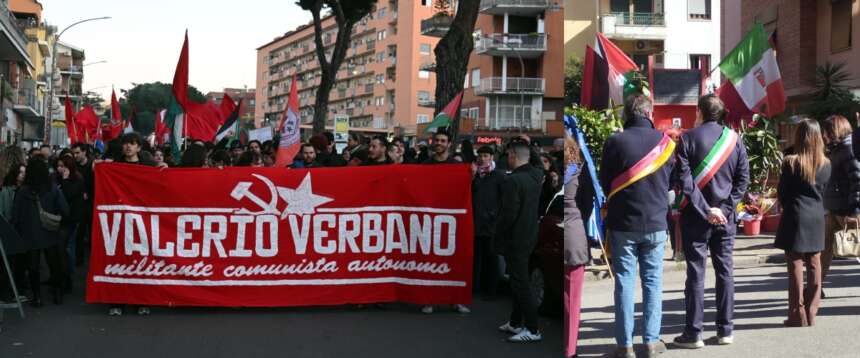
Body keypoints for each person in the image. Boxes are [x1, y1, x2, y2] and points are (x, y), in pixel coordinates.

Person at [672, 95, 749, 349]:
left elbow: (685, 182)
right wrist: (723, 210)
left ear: (700, 112)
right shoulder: (735, 140)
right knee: (725, 272)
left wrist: (706, 210)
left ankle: (694, 333)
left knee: (696, 273)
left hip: (695, 217)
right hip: (725, 219)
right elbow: (742, 181)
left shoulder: (686, 139)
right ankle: (725, 330)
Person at [599, 94, 673, 358]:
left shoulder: (614, 142)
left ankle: (625, 346)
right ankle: (651, 343)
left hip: (623, 223)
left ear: (626, 115)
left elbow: (605, 182)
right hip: (656, 222)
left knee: (624, 283)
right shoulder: (666, 143)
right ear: (650, 114)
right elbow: (672, 183)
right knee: (652, 283)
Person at [775, 118, 831, 327]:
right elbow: (824, 192)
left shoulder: (791, 162)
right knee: (815, 263)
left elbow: (782, 193)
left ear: (799, 136)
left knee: (795, 265)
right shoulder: (826, 163)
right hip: (817, 216)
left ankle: (797, 314)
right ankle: (812, 311)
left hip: (795, 215)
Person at [495, 141, 544, 342]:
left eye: (509, 155)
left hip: (515, 238)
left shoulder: (513, 181)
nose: (507, 158)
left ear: (513, 156)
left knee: (521, 283)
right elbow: (539, 163)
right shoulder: (537, 175)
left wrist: (497, 234)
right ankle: (515, 322)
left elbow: (508, 214)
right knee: (518, 280)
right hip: (530, 234)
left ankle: (533, 329)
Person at [107, 133, 158, 315]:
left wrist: (165, 169)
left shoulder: (149, 167)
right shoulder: (113, 167)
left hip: (142, 221)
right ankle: (116, 302)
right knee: (119, 260)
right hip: (119, 221)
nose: (128, 146)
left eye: (133, 143)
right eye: (126, 143)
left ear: (139, 147)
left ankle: (141, 301)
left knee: (142, 261)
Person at [12, 158, 69, 307]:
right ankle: (57, 293)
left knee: (33, 266)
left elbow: (15, 215)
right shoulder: (52, 188)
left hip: (30, 233)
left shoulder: (22, 191)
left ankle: (37, 297)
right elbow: (65, 209)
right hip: (50, 231)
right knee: (54, 263)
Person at [820, 115, 860, 299]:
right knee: (824, 249)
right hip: (835, 208)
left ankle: (815, 287)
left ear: (834, 130)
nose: (823, 135)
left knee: (854, 248)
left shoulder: (848, 149)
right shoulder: (837, 149)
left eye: (826, 131)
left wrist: (855, 210)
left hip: (847, 210)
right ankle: (815, 287)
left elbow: (857, 181)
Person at [564, 134, 587, 358]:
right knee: (572, 301)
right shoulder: (580, 173)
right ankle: (569, 350)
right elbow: (587, 205)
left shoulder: (552, 176)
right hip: (574, 239)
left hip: (555, 235)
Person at [472, 145, 504, 298]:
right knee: (476, 258)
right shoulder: (474, 175)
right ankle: (475, 287)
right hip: (475, 223)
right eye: (480, 155)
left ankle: (491, 290)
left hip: (491, 224)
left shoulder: (499, 176)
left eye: (485, 156)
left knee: (491, 259)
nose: (482, 158)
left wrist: (496, 216)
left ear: (491, 158)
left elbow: (504, 198)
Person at [55, 155, 85, 292]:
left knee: (65, 248)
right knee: (60, 248)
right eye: (58, 166)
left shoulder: (77, 179)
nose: (60, 169)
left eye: (63, 166)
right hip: (58, 218)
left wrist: (65, 180)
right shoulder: (56, 178)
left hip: (70, 219)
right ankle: (60, 277)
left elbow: (67, 195)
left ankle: (67, 278)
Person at [71, 143, 94, 266]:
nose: (75, 156)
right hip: (79, 206)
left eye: (78, 153)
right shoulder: (73, 167)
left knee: (93, 233)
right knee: (79, 234)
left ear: (84, 152)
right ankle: (79, 260)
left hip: (92, 204)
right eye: (74, 153)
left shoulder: (93, 165)